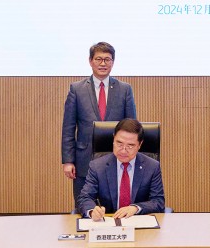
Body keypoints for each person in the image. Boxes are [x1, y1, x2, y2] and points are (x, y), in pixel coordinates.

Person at [61, 42, 137, 205]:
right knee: (85, 206)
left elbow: (132, 127)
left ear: (113, 62)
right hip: (84, 160)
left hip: (117, 158)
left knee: (114, 206)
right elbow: (68, 128)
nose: (103, 64)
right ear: (90, 61)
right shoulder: (76, 89)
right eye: (99, 59)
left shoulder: (124, 89)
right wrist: (68, 161)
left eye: (107, 60)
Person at [76, 119, 165, 220]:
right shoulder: (97, 166)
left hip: (138, 222)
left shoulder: (152, 167)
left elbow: (158, 201)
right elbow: (85, 197)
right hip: (108, 222)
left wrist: (135, 208)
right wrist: (92, 211)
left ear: (139, 145)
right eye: (119, 143)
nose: (123, 150)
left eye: (130, 146)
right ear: (113, 139)